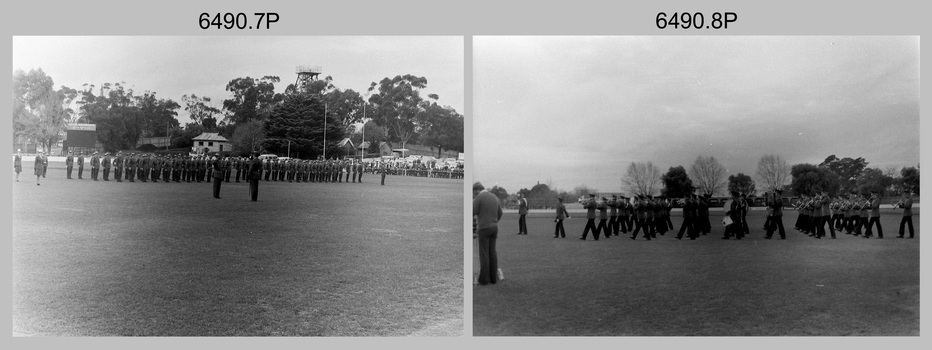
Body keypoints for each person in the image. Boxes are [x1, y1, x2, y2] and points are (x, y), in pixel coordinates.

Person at [473, 182, 502, 285]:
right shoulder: (494, 197)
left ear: (477, 190)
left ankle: (485, 279)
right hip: (494, 227)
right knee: (492, 253)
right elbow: (500, 213)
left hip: (484, 228)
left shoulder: (479, 198)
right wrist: (494, 221)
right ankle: (493, 278)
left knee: (484, 253)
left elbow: (472, 211)